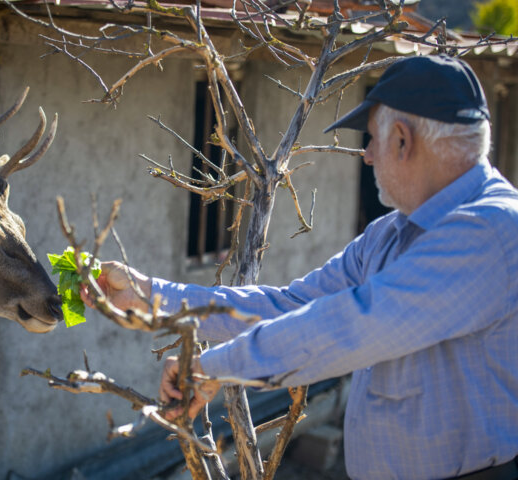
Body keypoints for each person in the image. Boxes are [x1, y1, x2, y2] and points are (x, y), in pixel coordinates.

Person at [85, 55, 518, 480]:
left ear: (403, 140)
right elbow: (291, 306)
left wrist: (217, 366)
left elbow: (355, 325)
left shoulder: (493, 231)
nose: (366, 155)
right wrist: (151, 295)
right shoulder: (390, 233)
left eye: (370, 139)